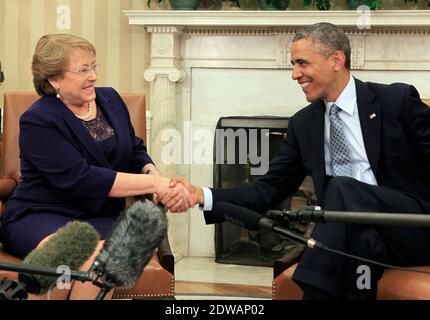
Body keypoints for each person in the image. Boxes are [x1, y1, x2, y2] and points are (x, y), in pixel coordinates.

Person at [161, 22, 430, 300]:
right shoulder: (304, 124)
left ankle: (309, 289)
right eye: (293, 64)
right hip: (359, 235)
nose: (294, 74)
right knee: (360, 241)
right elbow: (267, 190)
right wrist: (200, 195)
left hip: (412, 227)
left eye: (302, 63)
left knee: (341, 188)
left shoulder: (395, 100)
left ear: (337, 60)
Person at [0, 34, 191, 300]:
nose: (93, 76)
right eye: (83, 70)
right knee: (69, 255)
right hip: (42, 214)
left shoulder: (110, 99)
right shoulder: (38, 120)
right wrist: (157, 185)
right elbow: (82, 178)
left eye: (94, 66)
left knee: (104, 258)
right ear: (54, 79)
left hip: (100, 216)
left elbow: (134, 150)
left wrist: (154, 175)